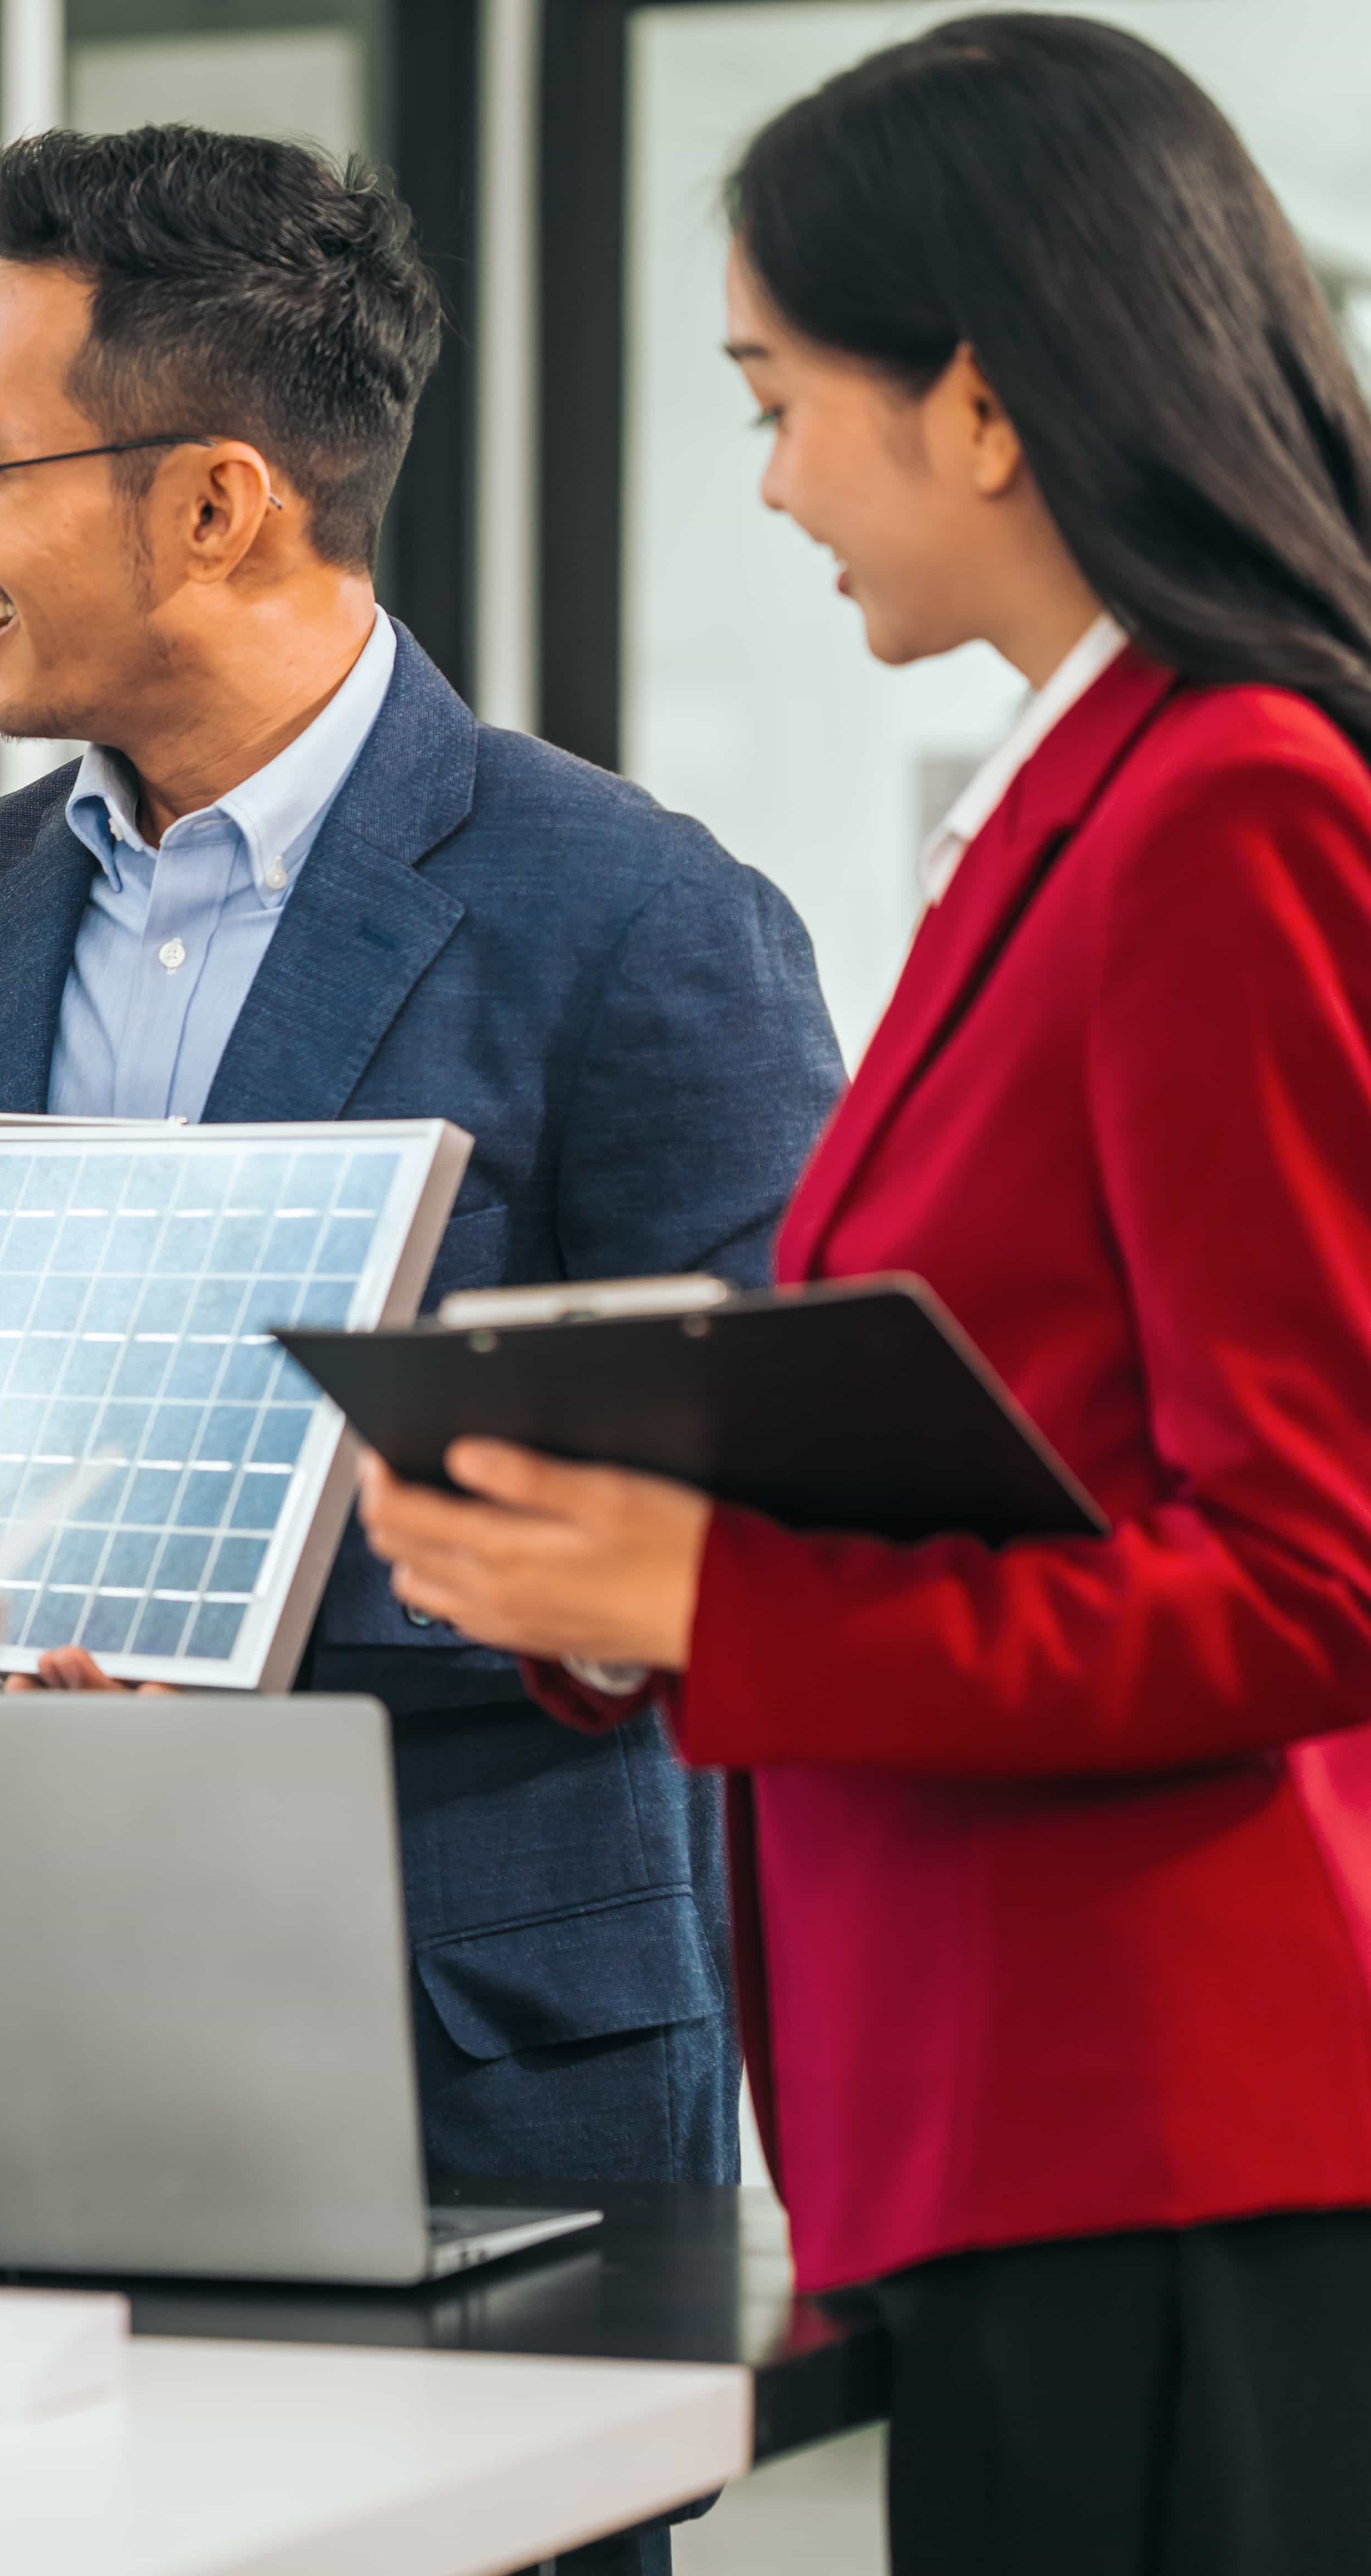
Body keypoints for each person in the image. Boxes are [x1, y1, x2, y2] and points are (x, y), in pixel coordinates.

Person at [357, 18, 1371, 2570]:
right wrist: (628, 1571)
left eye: (780, 398)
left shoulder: (1232, 803)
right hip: (1026, 2116)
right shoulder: (1075, 792)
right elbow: (1026, 1439)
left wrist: (719, 1596)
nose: (779, 478)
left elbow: (1309, 1577)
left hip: (1178, 2123)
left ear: (987, 404)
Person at [0, 127, 845, 2203]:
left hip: (468, 2036)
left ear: (212, 502)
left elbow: (771, 1527)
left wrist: (219, 1587)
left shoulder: (636, 916)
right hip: (15, 2011)